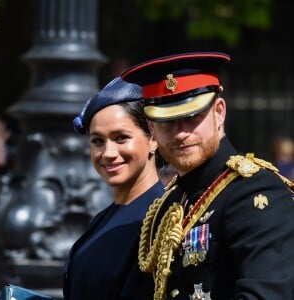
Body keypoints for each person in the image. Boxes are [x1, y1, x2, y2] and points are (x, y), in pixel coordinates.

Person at [121, 52, 294, 300]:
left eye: (192, 117)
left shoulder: (256, 193)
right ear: (152, 128)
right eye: (168, 122)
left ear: (219, 112)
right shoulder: (171, 203)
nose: (181, 133)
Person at [62, 77, 165, 300]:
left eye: (121, 138)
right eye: (98, 141)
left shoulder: (161, 218)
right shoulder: (103, 218)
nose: (108, 153)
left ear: (153, 138)